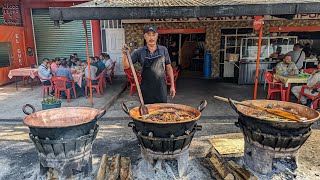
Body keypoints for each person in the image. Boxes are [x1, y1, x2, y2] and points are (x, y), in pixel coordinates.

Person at [122, 25, 176, 104]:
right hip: (146, 89)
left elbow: (169, 68)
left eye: (153, 35)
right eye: (149, 35)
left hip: (161, 88)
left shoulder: (163, 50)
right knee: (147, 113)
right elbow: (126, 66)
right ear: (144, 36)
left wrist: (172, 85)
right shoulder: (139, 51)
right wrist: (125, 55)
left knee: (161, 112)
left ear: (157, 36)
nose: (151, 38)